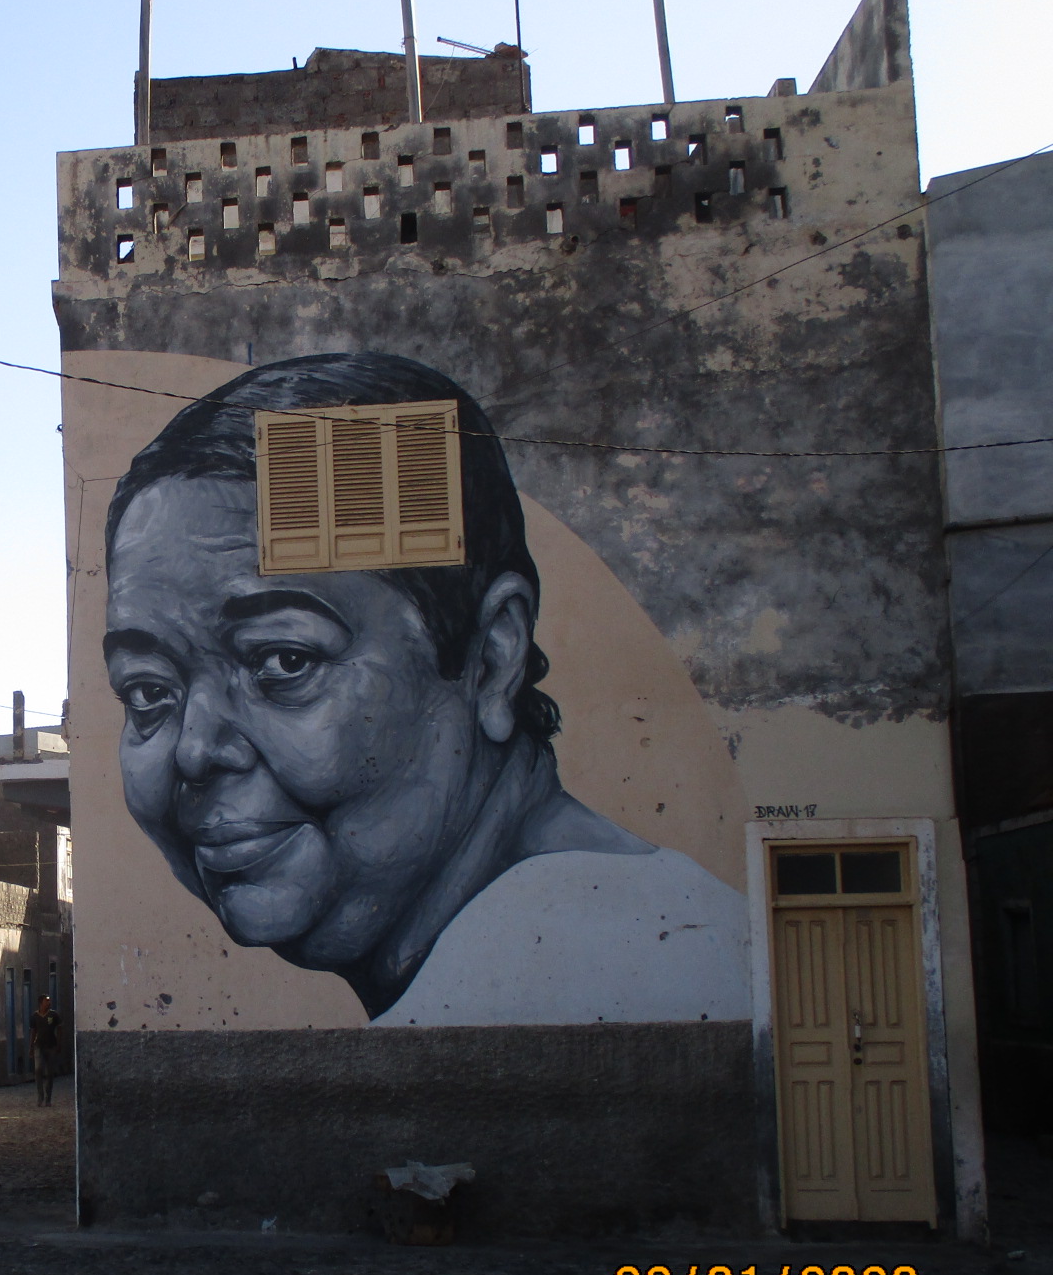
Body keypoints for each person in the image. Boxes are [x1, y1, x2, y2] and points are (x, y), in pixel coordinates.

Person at [101, 352, 746, 1025]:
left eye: (285, 661)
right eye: (146, 692)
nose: (194, 751)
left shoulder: (597, 955)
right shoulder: (626, 928)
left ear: (491, 658)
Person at [29, 994, 63, 1106]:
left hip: (51, 1045)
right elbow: (33, 1032)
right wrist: (31, 1047)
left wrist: (59, 1044)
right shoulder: (35, 1016)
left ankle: (48, 1097)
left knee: (50, 1072)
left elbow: (59, 1029)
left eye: (49, 1001)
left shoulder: (54, 1015)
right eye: (46, 1001)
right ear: (41, 1003)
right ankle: (40, 1095)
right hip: (39, 1046)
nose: (49, 1003)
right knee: (38, 1069)